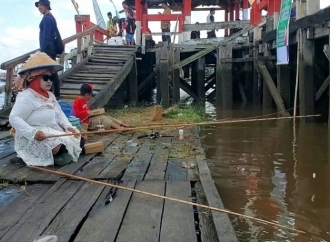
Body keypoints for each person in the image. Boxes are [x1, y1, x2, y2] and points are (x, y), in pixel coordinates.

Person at [9, 52, 84, 167]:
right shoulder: (26, 96)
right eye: (45, 78)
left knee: (79, 138)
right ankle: (57, 155)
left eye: (51, 77)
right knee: (61, 146)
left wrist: (69, 127)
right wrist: (33, 133)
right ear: (33, 79)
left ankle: (60, 155)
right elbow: (14, 118)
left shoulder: (50, 95)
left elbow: (60, 114)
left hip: (52, 131)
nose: (49, 81)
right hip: (35, 134)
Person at [35, 0, 62, 100]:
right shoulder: (50, 17)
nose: (39, 7)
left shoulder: (47, 19)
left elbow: (46, 36)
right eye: (38, 5)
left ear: (46, 6)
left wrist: (41, 51)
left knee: (51, 71)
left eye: (41, 5)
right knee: (51, 71)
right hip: (51, 48)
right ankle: (55, 94)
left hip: (48, 48)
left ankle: (54, 94)